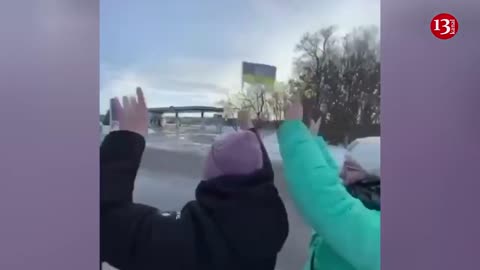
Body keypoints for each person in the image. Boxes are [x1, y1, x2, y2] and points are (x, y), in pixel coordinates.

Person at [100, 88, 289, 270]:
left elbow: (103, 224)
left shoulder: (189, 239)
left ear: (210, 173)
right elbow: (261, 172)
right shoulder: (269, 226)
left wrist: (125, 140)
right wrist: (251, 135)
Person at [277, 99, 380, 270]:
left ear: (372, 176)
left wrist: (294, 131)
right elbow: (332, 180)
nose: (341, 172)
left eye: (350, 168)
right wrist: (314, 141)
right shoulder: (370, 202)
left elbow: (326, 197)